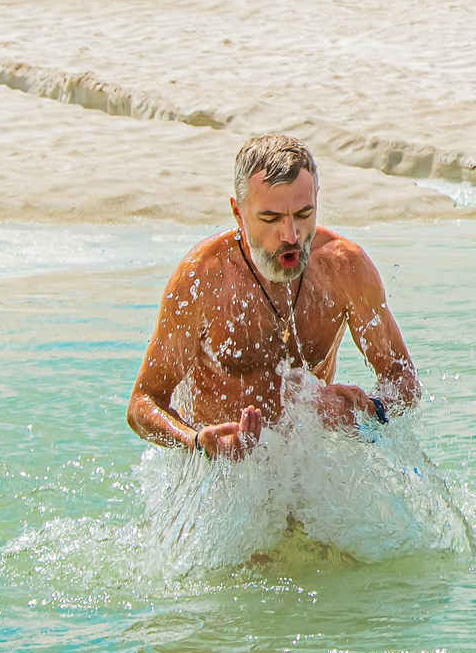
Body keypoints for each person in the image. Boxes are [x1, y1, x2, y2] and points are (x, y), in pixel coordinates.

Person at [127, 135, 420, 460]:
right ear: (238, 213)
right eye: (271, 219)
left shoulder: (344, 268)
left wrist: (367, 408)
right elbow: (143, 404)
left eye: (304, 213)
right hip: (219, 476)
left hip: (306, 467)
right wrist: (196, 442)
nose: (291, 236)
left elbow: (403, 381)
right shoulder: (203, 276)